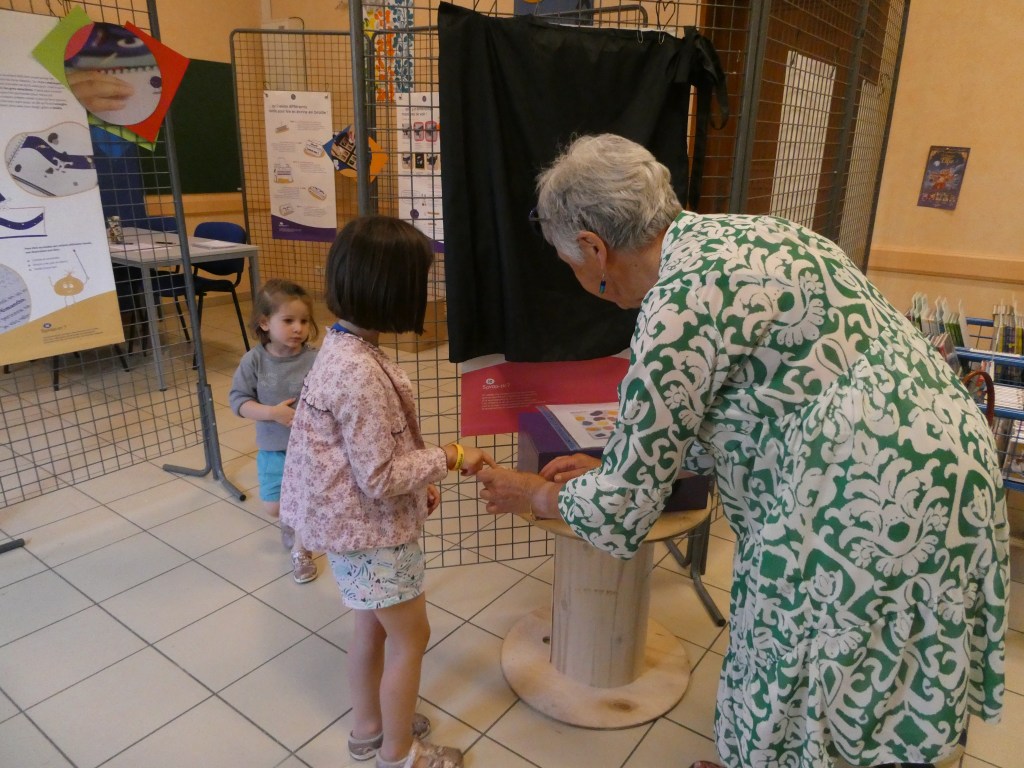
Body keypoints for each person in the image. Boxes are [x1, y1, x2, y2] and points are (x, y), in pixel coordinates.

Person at [478, 134, 1008, 768]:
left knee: (788, 644)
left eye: (572, 264)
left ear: (594, 248)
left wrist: (536, 494)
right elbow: (748, 405)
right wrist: (615, 462)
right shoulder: (762, 236)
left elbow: (623, 509)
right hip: (954, 461)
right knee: (892, 657)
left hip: (857, 495)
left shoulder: (675, 305)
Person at [280, 216, 496, 768]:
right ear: (395, 290)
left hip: (354, 530)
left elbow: (365, 461)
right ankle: (400, 754)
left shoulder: (341, 349)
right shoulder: (359, 373)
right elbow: (378, 476)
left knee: (370, 628)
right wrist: (448, 456)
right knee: (410, 638)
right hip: (373, 535)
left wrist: (416, 480)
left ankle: (369, 727)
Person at [229, 279, 320, 583]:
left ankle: (302, 551)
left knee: (304, 502)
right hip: (273, 449)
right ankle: (290, 523)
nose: (298, 328)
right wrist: (273, 413)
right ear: (265, 322)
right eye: (289, 320)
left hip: (310, 450)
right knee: (274, 507)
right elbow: (238, 401)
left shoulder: (315, 359)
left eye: (304, 321)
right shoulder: (253, 360)